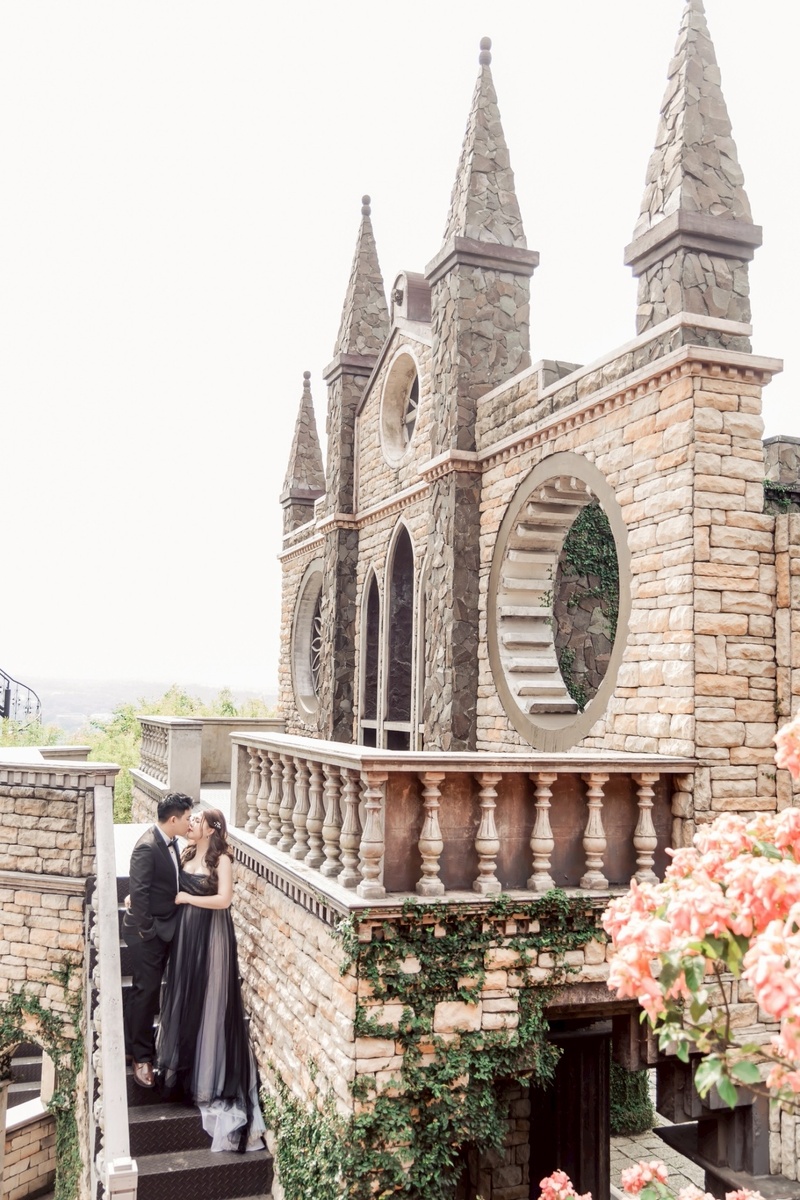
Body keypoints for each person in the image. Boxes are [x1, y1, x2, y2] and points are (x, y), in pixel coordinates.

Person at [156, 806, 267, 1153]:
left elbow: (224, 900)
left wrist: (189, 898)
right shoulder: (185, 852)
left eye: (197, 820)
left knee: (210, 1001)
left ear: (211, 829)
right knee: (186, 997)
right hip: (186, 937)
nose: (190, 823)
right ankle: (184, 1071)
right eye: (190, 819)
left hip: (212, 935)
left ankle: (208, 1080)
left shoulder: (222, 860)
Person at [122, 791, 194, 1089]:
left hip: (167, 927)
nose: (190, 822)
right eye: (188, 818)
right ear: (173, 819)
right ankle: (141, 1057)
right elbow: (138, 895)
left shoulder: (173, 842)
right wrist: (149, 933)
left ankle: (133, 1046)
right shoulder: (147, 846)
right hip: (147, 934)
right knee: (147, 991)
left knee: (146, 990)